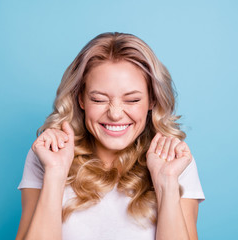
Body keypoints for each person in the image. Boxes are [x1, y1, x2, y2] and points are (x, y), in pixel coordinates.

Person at [16, 32, 205, 240]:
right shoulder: (47, 156)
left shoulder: (175, 162)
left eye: (132, 100)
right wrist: (54, 174)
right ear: (81, 99)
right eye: (98, 99)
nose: (115, 114)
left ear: (152, 100)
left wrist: (167, 184)